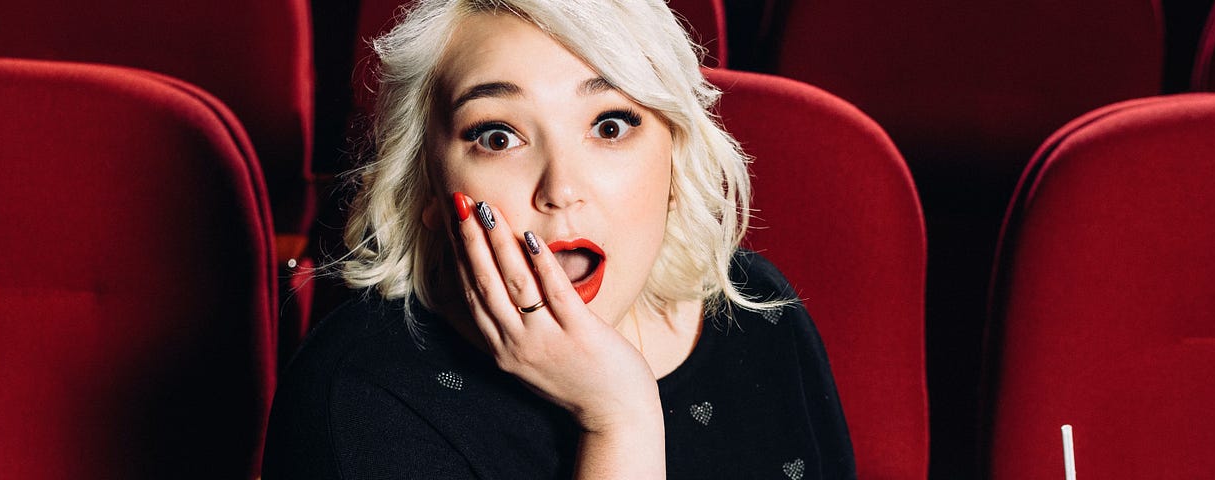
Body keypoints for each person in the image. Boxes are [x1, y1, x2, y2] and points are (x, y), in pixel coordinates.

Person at [263, 1, 854, 478]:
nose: (562, 189)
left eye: (610, 125)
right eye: (498, 137)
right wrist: (621, 420)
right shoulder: (357, 400)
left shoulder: (756, 306)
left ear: (673, 160)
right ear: (425, 188)